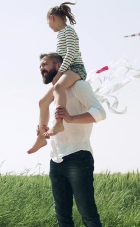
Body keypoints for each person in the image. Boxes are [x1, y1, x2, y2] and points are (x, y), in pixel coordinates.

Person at [38, 52, 105, 227]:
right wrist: (43, 130)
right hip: (56, 158)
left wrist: (70, 118)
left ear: (59, 66)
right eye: (39, 66)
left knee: (88, 215)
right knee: (62, 218)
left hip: (78, 157)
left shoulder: (80, 86)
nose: (41, 68)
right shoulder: (54, 93)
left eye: (45, 64)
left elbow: (100, 113)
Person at [28, 2, 87, 154]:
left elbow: (72, 52)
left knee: (59, 87)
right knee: (43, 102)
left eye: (48, 22)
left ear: (52, 18)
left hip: (75, 69)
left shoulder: (68, 31)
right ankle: (41, 137)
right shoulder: (61, 34)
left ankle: (59, 123)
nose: (48, 25)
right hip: (66, 70)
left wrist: (60, 72)